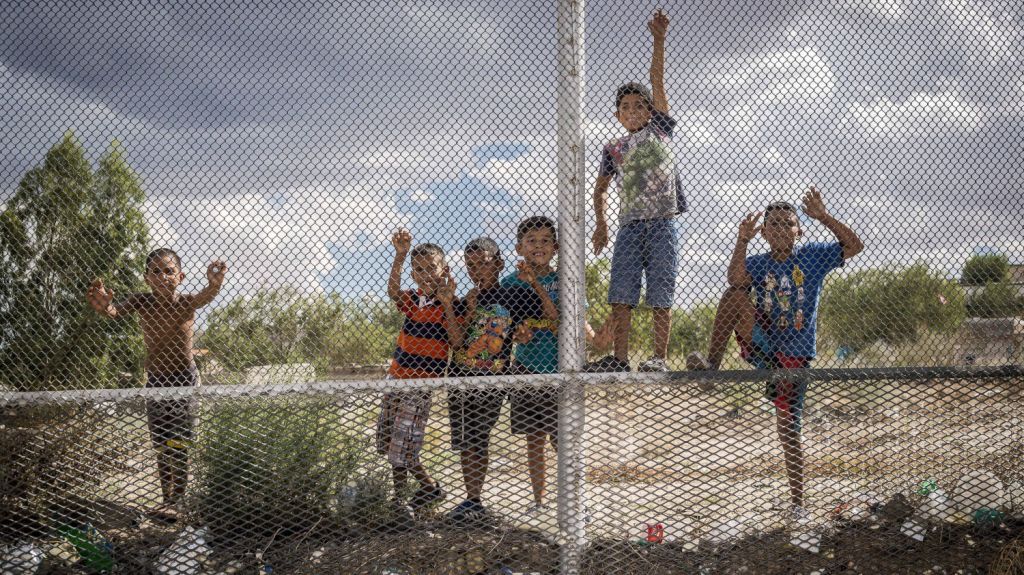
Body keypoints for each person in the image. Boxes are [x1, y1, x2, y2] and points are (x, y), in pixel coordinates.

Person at [688, 188, 863, 521]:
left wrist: (823, 216)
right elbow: (735, 278)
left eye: (788, 223)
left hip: (794, 357)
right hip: (764, 346)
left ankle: (798, 504)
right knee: (734, 295)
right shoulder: (759, 262)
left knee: (788, 430)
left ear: (800, 231)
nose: (781, 229)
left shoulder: (812, 257)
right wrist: (742, 240)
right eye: (774, 224)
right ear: (764, 233)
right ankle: (711, 367)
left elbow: (854, 246)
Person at [87, 249, 227, 519]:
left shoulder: (185, 302)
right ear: (147, 278)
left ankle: (179, 500)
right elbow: (116, 311)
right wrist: (106, 306)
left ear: (181, 276)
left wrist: (214, 284)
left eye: (169, 271)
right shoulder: (142, 302)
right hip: (156, 380)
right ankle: (166, 499)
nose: (163, 276)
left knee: (180, 441)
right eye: (156, 271)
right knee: (161, 441)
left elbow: (204, 297)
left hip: (184, 379)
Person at [589, 9, 687, 373]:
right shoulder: (614, 148)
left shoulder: (659, 129)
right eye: (625, 107)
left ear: (649, 110)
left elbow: (656, 80)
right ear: (617, 115)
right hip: (629, 226)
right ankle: (619, 358)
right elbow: (600, 189)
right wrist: (601, 224)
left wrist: (658, 40)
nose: (632, 111)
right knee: (621, 294)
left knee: (661, 293)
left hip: (661, 222)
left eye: (638, 105)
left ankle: (659, 358)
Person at [500, 216, 612, 515]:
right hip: (526, 369)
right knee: (534, 440)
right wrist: (517, 333)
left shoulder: (565, 278)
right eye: (532, 241)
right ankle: (539, 502)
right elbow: (508, 326)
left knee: (564, 440)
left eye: (545, 241)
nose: (539, 246)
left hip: (562, 370)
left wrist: (597, 334)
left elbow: (573, 319)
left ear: (557, 246)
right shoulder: (510, 283)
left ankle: (575, 501)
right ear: (519, 247)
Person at [446, 237, 555, 523]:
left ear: (498, 263)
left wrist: (533, 284)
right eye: (470, 265)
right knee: (466, 441)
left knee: (480, 437)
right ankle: (473, 501)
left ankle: (478, 498)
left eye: (482, 263)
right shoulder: (467, 298)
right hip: (460, 376)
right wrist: (464, 309)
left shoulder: (514, 294)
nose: (476, 270)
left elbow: (549, 314)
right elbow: (456, 342)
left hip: (493, 378)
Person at [376, 229, 460, 516]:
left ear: (444, 270)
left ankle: (404, 499)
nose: (425, 274)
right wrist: (399, 256)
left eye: (431, 268)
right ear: (412, 274)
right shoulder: (412, 300)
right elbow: (392, 292)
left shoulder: (451, 304)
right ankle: (424, 489)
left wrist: (447, 303)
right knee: (389, 441)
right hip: (397, 377)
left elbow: (455, 338)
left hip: (420, 383)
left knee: (403, 443)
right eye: (419, 269)